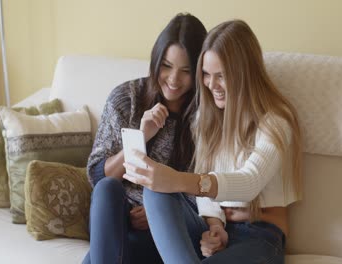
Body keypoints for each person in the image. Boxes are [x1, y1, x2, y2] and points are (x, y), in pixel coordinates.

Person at [123, 19, 303, 263]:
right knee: (155, 194)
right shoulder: (205, 119)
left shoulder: (276, 121)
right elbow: (207, 191)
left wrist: (177, 179)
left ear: (245, 74)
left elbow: (249, 182)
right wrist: (214, 224)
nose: (211, 85)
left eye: (222, 76)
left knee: (166, 185)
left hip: (259, 236)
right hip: (216, 230)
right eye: (206, 74)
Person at [83, 13, 207, 264]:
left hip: (177, 227)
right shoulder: (126, 98)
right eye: (167, 66)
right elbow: (97, 176)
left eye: (185, 71)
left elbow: (209, 186)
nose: (173, 80)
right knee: (108, 188)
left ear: (198, 72)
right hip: (120, 223)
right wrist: (140, 137)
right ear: (156, 60)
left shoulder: (206, 115)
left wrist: (159, 213)